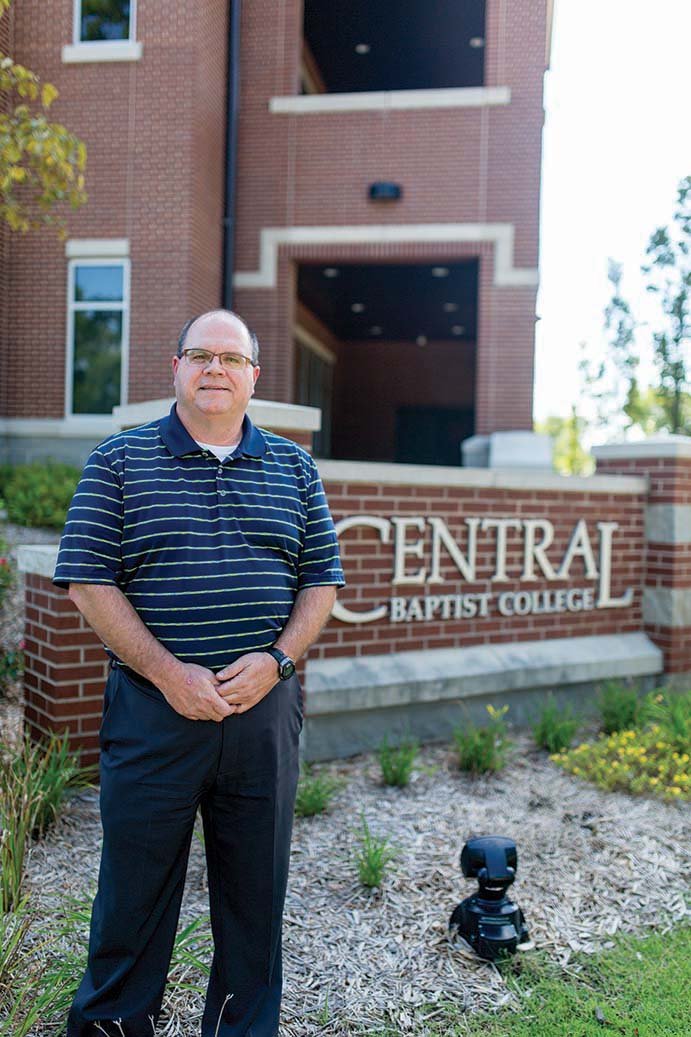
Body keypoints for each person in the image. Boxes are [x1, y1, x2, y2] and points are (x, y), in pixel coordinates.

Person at [53, 309, 345, 1037]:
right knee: (133, 895)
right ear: (175, 369)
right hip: (154, 714)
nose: (215, 368)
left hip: (263, 715)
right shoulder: (119, 460)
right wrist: (168, 672)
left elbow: (321, 582)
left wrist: (277, 661)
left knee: (254, 897)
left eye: (230, 357)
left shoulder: (294, 466)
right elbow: (89, 580)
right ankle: (114, 1026)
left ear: (253, 375)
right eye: (199, 355)